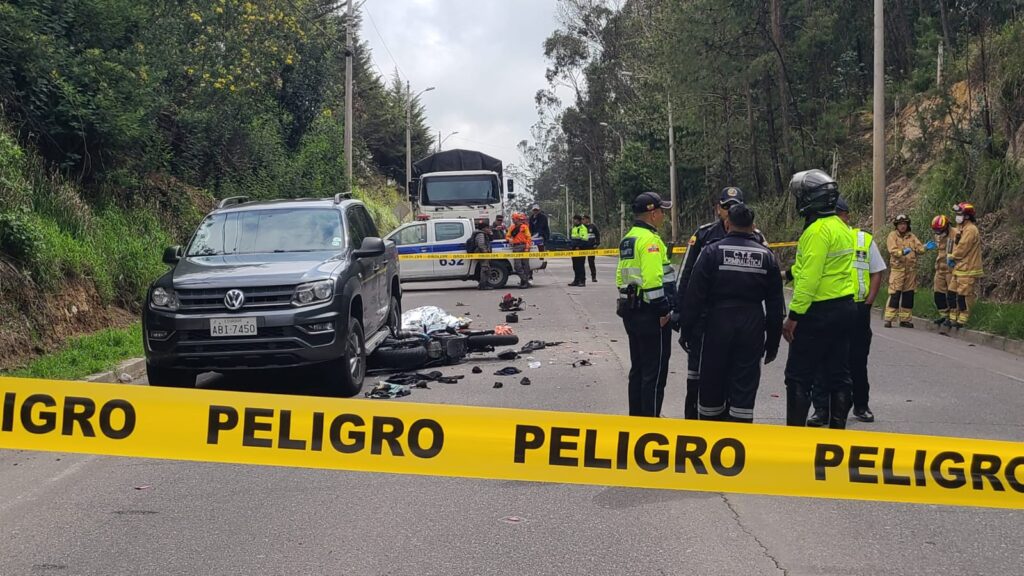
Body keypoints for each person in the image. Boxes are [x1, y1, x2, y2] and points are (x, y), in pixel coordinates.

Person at [678, 204, 784, 423]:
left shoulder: (711, 252)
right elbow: (775, 305)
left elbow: (694, 296)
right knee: (744, 386)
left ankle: (711, 434)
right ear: (753, 227)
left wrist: (687, 331)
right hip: (752, 325)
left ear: (727, 224)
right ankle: (739, 433)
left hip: (717, 324)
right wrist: (772, 343)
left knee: (712, 382)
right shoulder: (766, 256)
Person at [783, 169, 856, 429]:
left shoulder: (816, 232)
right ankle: (836, 434)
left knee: (798, 376)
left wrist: (794, 317)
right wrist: (789, 273)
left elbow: (810, 279)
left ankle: (796, 438)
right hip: (845, 308)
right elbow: (821, 267)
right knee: (839, 375)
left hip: (818, 312)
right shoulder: (842, 227)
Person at [807, 197, 886, 427]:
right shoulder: (821, 236)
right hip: (827, 306)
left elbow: (876, 271)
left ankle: (860, 405)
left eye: (837, 214)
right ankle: (821, 410)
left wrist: (868, 303)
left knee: (857, 359)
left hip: (857, 307)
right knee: (822, 359)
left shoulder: (863, 239)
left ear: (845, 215)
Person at [616, 192, 676, 417]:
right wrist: (663, 310)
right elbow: (652, 280)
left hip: (632, 310)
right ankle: (650, 423)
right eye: (662, 211)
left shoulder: (628, 238)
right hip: (651, 313)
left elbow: (621, 276)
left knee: (639, 369)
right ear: (653, 214)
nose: (663, 216)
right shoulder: (650, 240)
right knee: (655, 372)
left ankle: (636, 419)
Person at [884, 214, 926, 328]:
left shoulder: (911, 236)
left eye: (904, 224)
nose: (903, 226)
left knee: (908, 295)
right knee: (895, 294)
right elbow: (892, 250)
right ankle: (889, 319)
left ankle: (905, 320)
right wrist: (901, 252)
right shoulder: (892, 236)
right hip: (897, 270)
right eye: (900, 224)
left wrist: (924, 247)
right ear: (896, 225)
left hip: (910, 271)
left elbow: (919, 248)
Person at [948, 202, 983, 329]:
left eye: (959, 214)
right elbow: (954, 243)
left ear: (967, 216)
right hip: (959, 268)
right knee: (952, 293)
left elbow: (963, 247)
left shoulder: (971, 230)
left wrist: (952, 256)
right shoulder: (961, 228)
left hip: (968, 269)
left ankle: (962, 320)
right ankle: (953, 318)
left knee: (964, 295)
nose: (957, 216)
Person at [929, 214, 958, 329]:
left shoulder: (956, 234)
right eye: (936, 231)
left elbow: (962, 249)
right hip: (940, 269)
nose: (938, 233)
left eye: (940, 230)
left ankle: (953, 317)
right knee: (938, 294)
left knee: (952, 295)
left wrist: (954, 260)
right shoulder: (938, 235)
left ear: (946, 226)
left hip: (951, 270)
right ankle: (944, 315)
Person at [506, 212, 533, 288]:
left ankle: (523, 282)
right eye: (512, 219)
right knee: (517, 266)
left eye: (514, 219)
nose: (513, 220)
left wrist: (527, 247)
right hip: (516, 247)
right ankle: (525, 281)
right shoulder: (511, 227)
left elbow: (528, 238)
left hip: (524, 246)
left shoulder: (524, 227)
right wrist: (509, 239)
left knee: (525, 266)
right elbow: (507, 236)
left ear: (517, 219)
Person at [469, 221, 494, 291]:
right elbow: (481, 244)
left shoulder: (482, 234)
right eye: (487, 228)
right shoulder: (481, 234)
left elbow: (491, 239)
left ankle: (482, 285)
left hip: (482, 253)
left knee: (486, 269)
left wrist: (491, 233)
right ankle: (483, 285)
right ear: (483, 228)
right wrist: (485, 252)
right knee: (485, 269)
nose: (488, 229)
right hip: (482, 254)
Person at [529, 204, 551, 270]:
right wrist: (530, 235)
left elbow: (542, 227)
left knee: (540, 246)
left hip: (542, 234)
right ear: (532, 210)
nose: (535, 211)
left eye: (536, 210)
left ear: (539, 210)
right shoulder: (531, 217)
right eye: (534, 210)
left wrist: (537, 235)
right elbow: (530, 227)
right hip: (534, 234)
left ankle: (541, 260)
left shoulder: (543, 217)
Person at [569, 215, 589, 287]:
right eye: (574, 220)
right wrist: (571, 246)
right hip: (574, 250)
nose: (574, 221)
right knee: (575, 266)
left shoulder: (583, 228)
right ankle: (576, 280)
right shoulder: (574, 228)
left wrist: (579, 246)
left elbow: (584, 239)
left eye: (575, 220)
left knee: (580, 266)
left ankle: (582, 281)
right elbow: (572, 239)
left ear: (579, 220)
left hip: (580, 250)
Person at [583, 215, 601, 282]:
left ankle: (593, 277)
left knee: (591, 262)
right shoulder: (582, 227)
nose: (583, 220)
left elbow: (597, 235)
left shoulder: (593, 226)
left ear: (588, 219)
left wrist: (597, 243)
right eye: (583, 219)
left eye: (585, 219)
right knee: (581, 263)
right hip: (583, 247)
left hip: (591, 247)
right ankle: (582, 277)